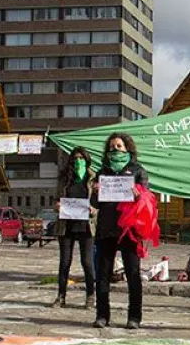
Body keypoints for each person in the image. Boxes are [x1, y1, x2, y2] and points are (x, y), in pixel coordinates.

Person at [90, 133, 148, 329]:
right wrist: (95, 192)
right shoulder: (102, 172)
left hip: (129, 230)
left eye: (119, 146)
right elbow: (94, 203)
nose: (115, 150)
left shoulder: (138, 171)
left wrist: (138, 197)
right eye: (112, 147)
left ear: (127, 149)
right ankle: (102, 315)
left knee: (133, 274)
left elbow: (147, 201)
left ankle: (134, 317)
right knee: (103, 274)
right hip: (106, 228)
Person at [51, 147, 97, 309]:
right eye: (75, 158)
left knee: (87, 262)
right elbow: (56, 199)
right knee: (65, 262)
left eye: (81, 158)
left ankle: (90, 296)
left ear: (87, 160)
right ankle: (61, 296)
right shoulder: (65, 179)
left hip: (86, 226)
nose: (78, 161)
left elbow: (100, 202)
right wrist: (57, 206)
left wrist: (94, 210)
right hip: (66, 225)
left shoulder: (93, 178)